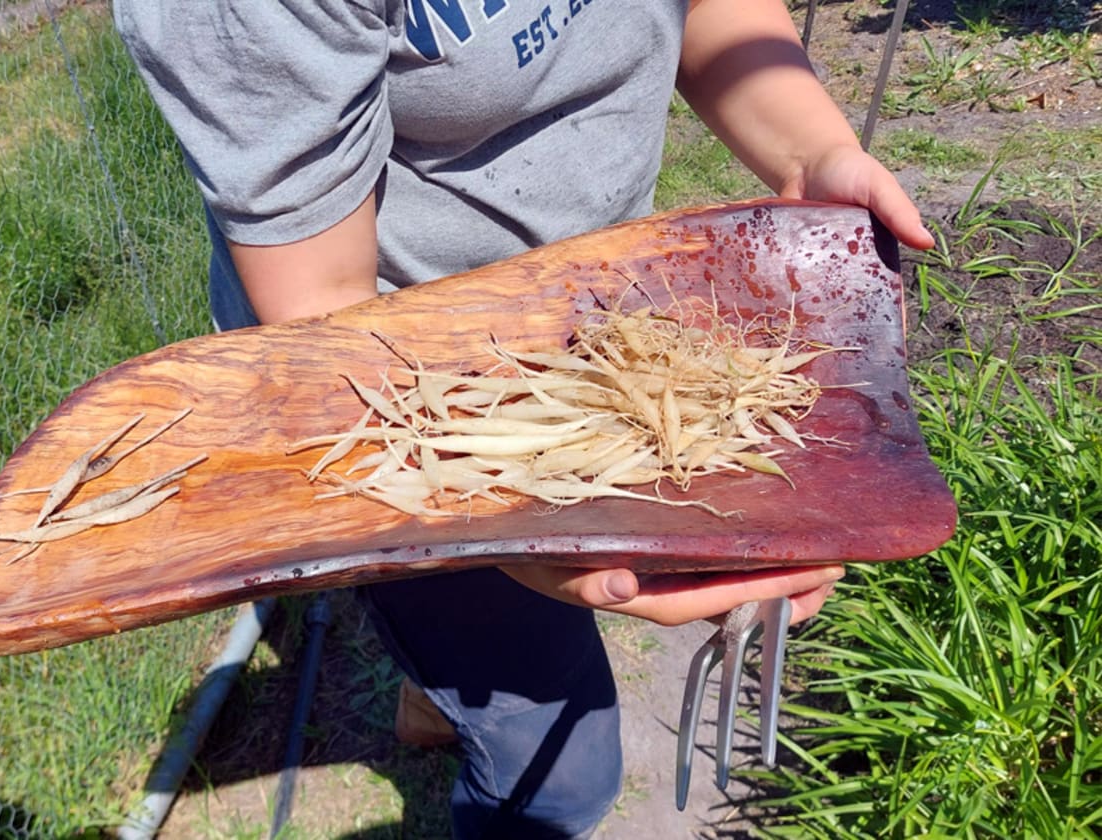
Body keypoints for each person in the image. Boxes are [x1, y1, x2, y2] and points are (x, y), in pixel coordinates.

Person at [114, 2, 936, 837]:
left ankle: (440, 682)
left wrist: (816, 153)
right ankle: (453, 663)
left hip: (601, 332)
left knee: (516, 640)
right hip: (418, 404)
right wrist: (501, 541)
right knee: (560, 782)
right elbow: (332, 323)